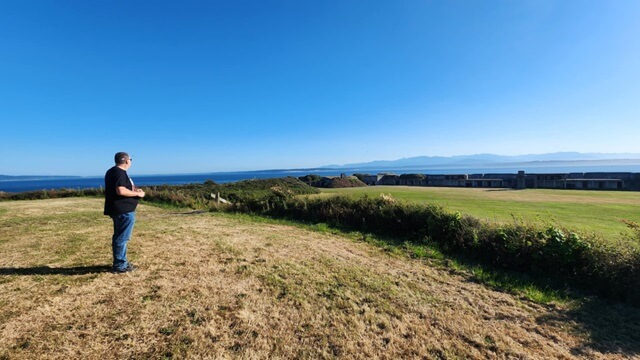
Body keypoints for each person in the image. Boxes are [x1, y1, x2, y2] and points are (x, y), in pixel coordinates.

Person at [104, 152, 145, 273]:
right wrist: (138, 194)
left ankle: (121, 262)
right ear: (127, 161)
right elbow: (120, 190)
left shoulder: (112, 171)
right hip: (123, 210)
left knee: (119, 236)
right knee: (122, 238)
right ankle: (120, 265)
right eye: (131, 159)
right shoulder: (120, 172)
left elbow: (122, 188)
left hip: (118, 209)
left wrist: (134, 190)